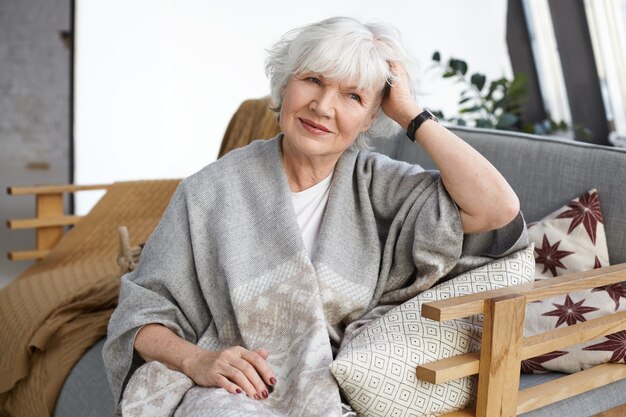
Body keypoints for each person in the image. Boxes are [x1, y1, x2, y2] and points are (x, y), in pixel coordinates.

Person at [103, 16, 527, 417]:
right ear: (285, 85)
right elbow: (138, 316)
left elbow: (497, 209)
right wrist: (198, 360)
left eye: (353, 96)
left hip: (337, 381)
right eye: (313, 80)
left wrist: (411, 115)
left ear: (369, 119)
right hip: (227, 386)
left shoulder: (380, 185)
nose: (323, 106)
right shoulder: (209, 191)